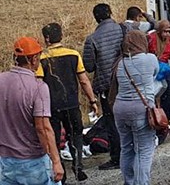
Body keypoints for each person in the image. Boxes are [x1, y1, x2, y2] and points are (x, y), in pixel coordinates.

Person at [38, 23, 99, 183]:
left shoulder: (42, 59)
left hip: (51, 107)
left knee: (55, 137)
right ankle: (78, 166)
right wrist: (92, 100)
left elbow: (37, 83)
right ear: (62, 36)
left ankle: (61, 170)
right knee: (76, 135)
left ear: (46, 38)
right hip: (72, 103)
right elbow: (84, 80)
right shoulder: (73, 54)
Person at [0, 37, 64, 185]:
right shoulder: (38, 87)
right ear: (34, 59)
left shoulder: (1, 80)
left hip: (4, 161)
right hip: (32, 161)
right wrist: (56, 161)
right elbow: (43, 128)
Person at [113, 30, 159, 185]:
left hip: (120, 109)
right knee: (144, 150)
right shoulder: (150, 59)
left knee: (126, 148)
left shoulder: (120, 63)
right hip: (141, 109)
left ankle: (129, 181)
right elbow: (155, 74)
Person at [82, 3, 124, 170]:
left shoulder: (92, 39)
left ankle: (117, 158)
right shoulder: (122, 30)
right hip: (126, 80)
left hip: (106, 85)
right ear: (110, 13)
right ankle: (132, 152)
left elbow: (89, 66)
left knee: (112, 122)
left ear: (96, 18)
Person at [148, 20, 170, 122]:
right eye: (164, 31)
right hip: (153, 68)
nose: (167, 34)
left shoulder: (169, 40)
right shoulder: (151, 38)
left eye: (168, 31)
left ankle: (168, 115)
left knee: (168, 91)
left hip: (164, 69)